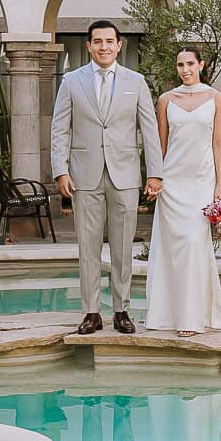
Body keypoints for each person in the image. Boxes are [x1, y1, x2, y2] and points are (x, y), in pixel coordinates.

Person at [52, 20, 164, 335]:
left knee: (122, 247)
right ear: (88, 46)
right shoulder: (72, 81)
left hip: (125, 175)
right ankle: (91, 312)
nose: (103, 47)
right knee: (87, 247)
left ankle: (122, 311)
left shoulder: (136, 81)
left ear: (119, 45)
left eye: (109, 41)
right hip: (83, 176)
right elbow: (60, 127)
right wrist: (60, 169)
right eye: (97, 41)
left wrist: (155, 173)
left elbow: (149, 130)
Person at [144, 47, 221, 335]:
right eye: (180, 64)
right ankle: (167, 316)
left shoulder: (217, 99)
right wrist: (156, 180)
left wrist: (219, 186)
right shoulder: (166, 100)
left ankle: (193, 319)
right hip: (173, 184)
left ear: (201, 65)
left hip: (202, 182)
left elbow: (219, 145)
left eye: (190, 63)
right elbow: (161, 145)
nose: (185, 69)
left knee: (195, 245)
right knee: (172, 251)